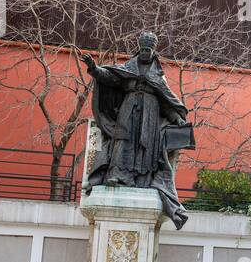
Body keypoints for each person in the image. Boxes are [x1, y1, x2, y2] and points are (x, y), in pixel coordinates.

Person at [80, 31, 195, 230]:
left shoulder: (159, 77)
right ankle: (117, 176)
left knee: (145, 148)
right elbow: (110, 78)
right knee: (122, 140)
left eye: (148, 50)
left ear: (153, 52)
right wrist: (94, 69)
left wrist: (177, 119)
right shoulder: (128, 69)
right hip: (128, 110)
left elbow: (167, 101)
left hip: (149, 116)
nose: (144, 52)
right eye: (142, 49)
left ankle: (139, 179)